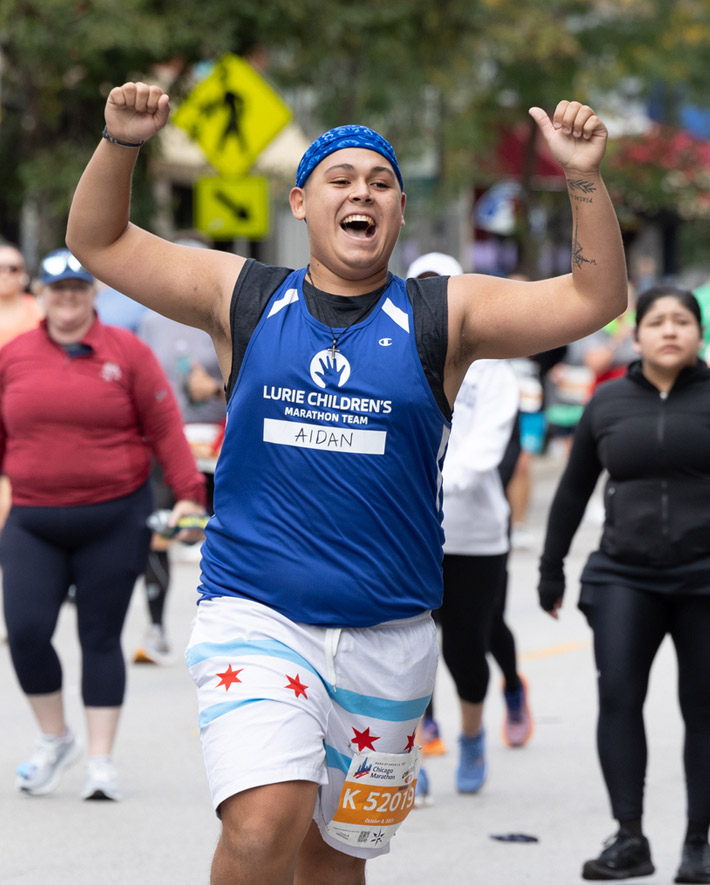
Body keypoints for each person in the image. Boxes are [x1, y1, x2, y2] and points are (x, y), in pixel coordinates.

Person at [66, 81, 627, 884]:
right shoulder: (246, 298)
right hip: (258, 617)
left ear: (398, 211)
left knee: (333, 863)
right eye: (340, 178)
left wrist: (582, 176)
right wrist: (121, 142)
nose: (361, 191)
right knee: (265, 822)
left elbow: (595, 298)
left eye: (380, 181)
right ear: (300, 202)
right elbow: (99, 241)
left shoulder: (444, 315)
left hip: (389, 639)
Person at [0, 248, 207, 801]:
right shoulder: (14, 355)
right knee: (23, 632)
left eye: (77, 289)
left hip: (115, 516)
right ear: (40, 296)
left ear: (93, 294)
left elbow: (165, 426)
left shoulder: (128, 352)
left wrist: (189, 495)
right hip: (32, 519)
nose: (67, 299)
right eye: (57, 290)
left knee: (99, 637)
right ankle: (54, 738)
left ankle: (99, 761)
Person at [537, 285, 710, 883]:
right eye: (657, 321)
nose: (669, 330)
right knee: (618, 699)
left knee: (704, 711)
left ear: (697, 333)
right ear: (636, 336)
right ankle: (629, 838)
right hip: (624, 576)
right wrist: (550, 567)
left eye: (682, 321)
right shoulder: (607, 402)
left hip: (704, 579)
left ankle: (698, 847)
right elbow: (573, 488)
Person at [406, 253, 532, 805]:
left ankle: (475, 735)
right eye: (424, 290)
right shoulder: (397, 355)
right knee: (406, 647)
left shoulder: (494, 369)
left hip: (474, 535)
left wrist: (423, 482)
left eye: (445, 289)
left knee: (467, 647)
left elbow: (483, 453)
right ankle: (407, 751)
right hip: (407, 533)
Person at [133, 278, 225, 665]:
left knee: (228, 530)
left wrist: (219, 388)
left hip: (224, 439)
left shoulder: (226, 311)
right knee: (162, 528)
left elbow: (265, 376)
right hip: (170, 442)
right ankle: (156, 629)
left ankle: (226, 630)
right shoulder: (151, 320)